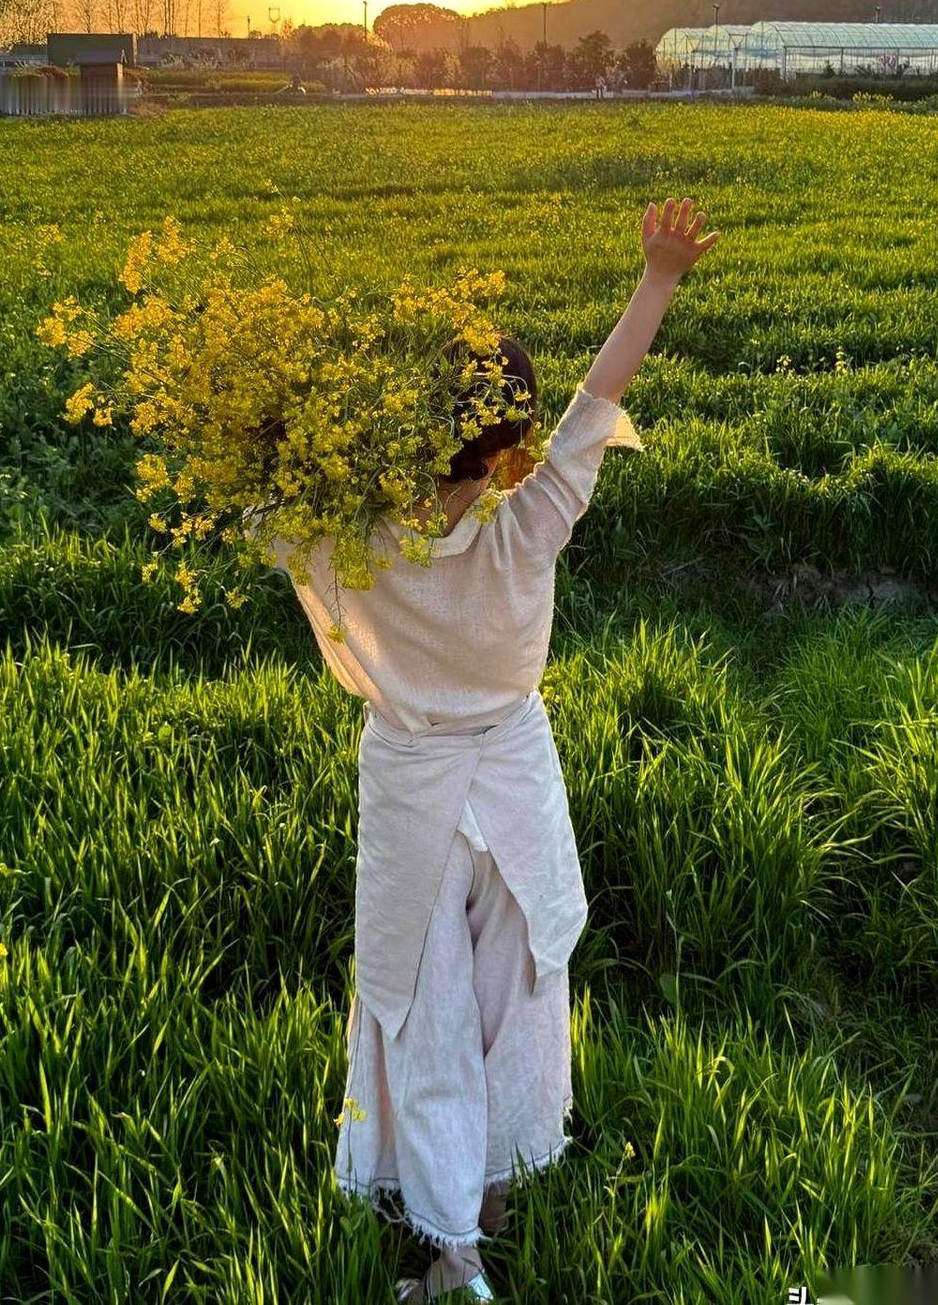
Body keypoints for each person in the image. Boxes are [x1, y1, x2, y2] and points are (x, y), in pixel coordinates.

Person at [263, 198, 720, 1300]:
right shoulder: (530, 520)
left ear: (392, 425)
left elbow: (255, 478)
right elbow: (599, 398)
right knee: (514, 994)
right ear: (511, 447)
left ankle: (450, 1249)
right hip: (514, 789)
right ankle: (488, 1198)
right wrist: (657, 275)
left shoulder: (342, 540)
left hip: (415, 797)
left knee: (423, 1014)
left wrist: (271, 373)